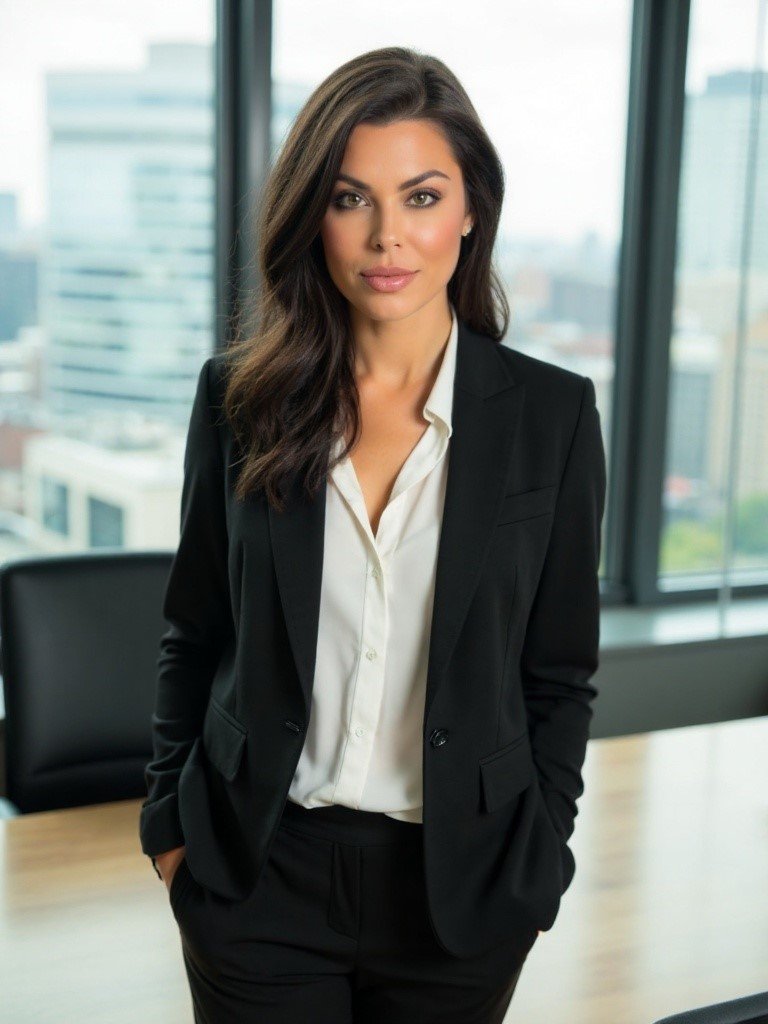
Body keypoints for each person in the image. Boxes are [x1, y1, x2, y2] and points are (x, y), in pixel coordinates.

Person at [139, 45, 606, 1024]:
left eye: (422, 197)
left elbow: (558, 674)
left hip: (459, 890)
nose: (388, 235)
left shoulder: (553, 417)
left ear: (471, 210)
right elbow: (196, 630)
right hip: (258, 871)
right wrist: (169, 827)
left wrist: (540, 861)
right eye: (352, 199)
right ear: (314, 215)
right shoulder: (240, 400)